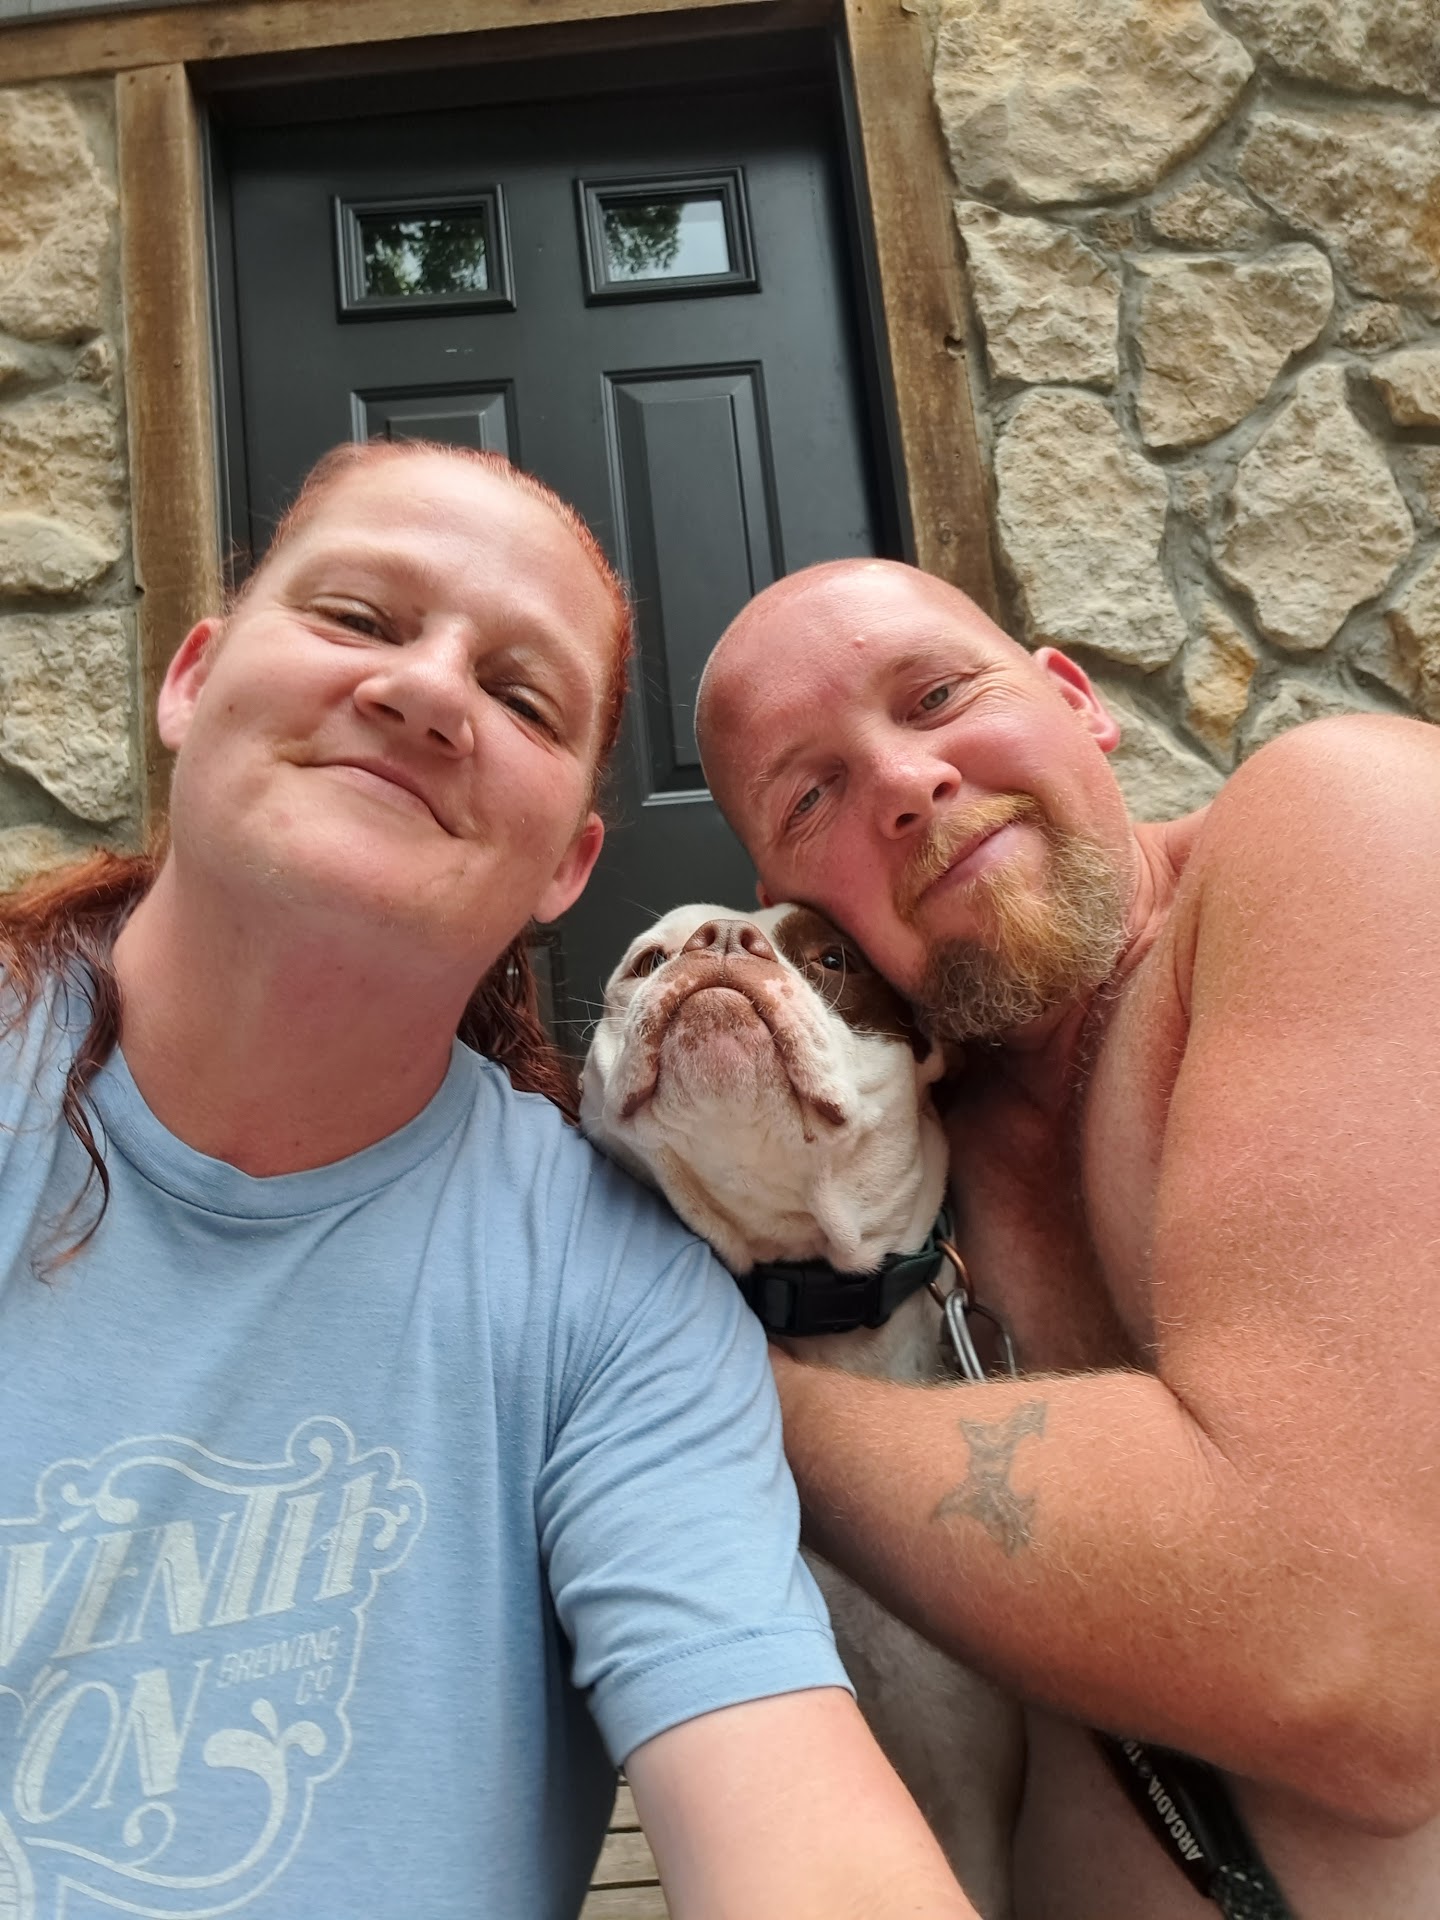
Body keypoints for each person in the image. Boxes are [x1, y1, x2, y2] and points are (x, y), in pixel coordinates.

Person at [0, 452, 978, 1920]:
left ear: (567, 865)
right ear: (191, 679)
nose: (425, 692)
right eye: (358, 617)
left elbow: (799, 1828)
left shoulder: (618, 1289)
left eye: (520, 697)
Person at [694, 557, 1440, 1920]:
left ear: (1076, 699)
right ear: (794, 902)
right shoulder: (893, 1150)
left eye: (937, 696)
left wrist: (722, 1400)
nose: (906, 783)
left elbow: (1354, 1658)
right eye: (811, 795)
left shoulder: (1348, 822)